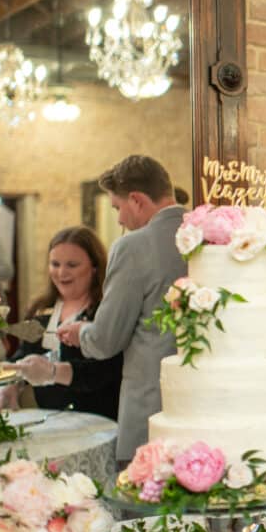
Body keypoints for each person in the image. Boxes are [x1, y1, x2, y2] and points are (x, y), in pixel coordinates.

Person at [57, 156, 186, 462]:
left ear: (137, 200)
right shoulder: (208, 234)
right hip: (204, 410)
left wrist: (82, 332)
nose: (119, 220)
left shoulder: (133, 246)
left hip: (152, 406)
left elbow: (106, 340)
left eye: (117, 208)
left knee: (145, 507)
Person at [0, 227, 121, 419]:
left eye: (72, 265)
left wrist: (53, 372)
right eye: (55, 264)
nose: (61, 272)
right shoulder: (40, 309)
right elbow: (23, 355)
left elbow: (105, 370)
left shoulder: (106, 311)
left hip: (98, 421)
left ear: (94, 267)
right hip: (51, 421)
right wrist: (11, 384)